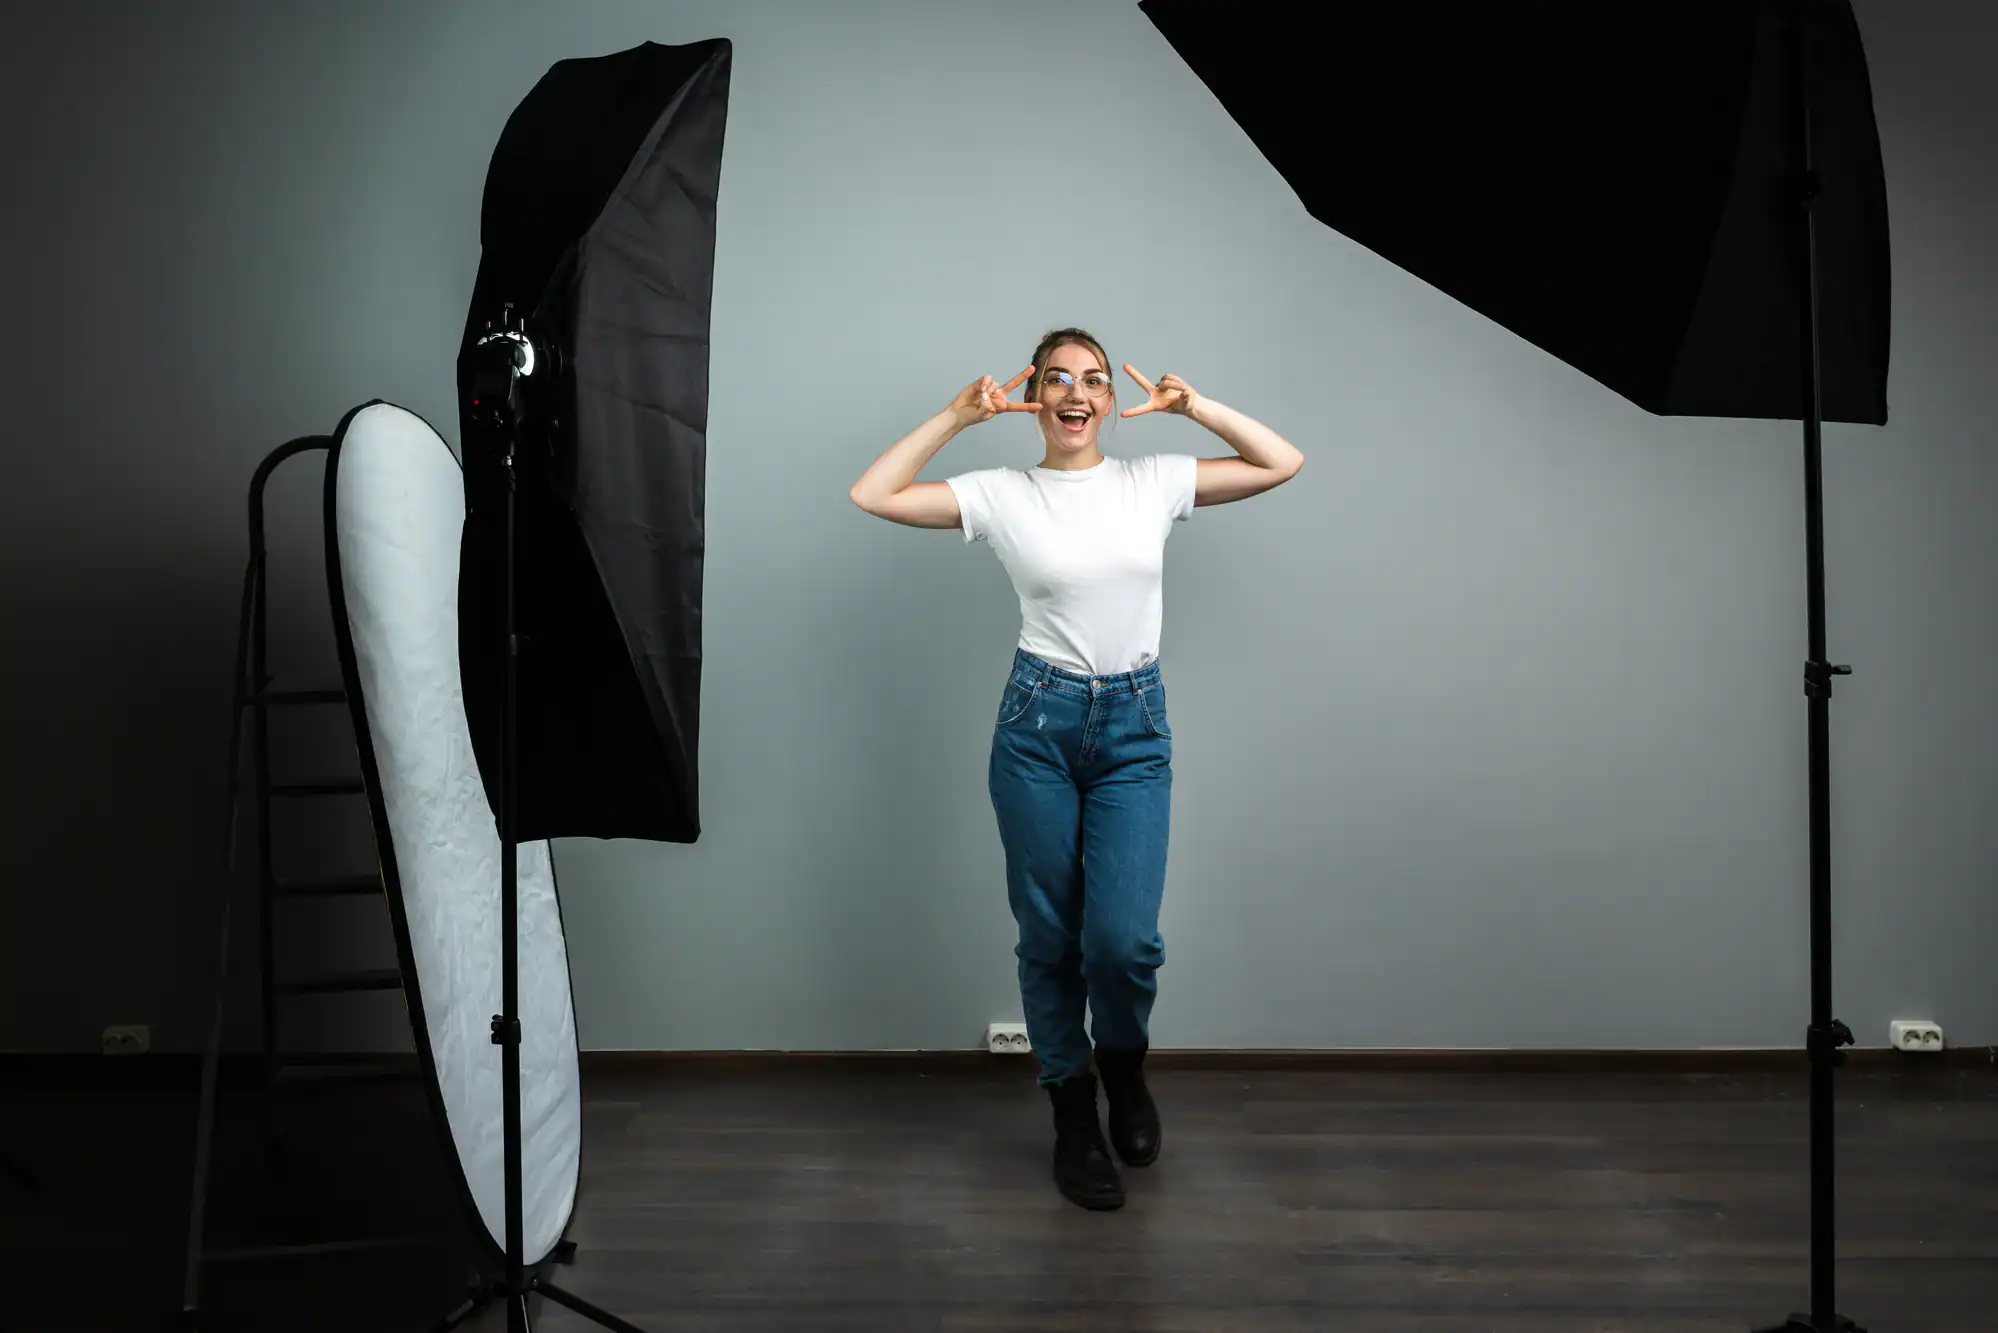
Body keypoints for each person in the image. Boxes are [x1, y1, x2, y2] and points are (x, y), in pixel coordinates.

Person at [848, 327, 1304, 1210]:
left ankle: (1124, 1071)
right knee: (1049, 936)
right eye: (1056, 378)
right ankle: (1071, 1111)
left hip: (1135, 725)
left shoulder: (1153, 480)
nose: (1076, 393)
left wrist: (1196, 405)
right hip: (1037, 726)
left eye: (1093, 380)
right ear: (1033, 399)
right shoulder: (1004, 494)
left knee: (1124, 942)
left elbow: (1281, 460)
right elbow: (874, 492)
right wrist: (954, 415)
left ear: (1110, 400)